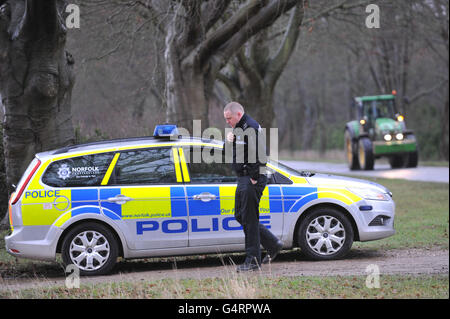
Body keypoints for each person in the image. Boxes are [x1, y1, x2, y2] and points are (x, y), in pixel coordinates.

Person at [223, 102, 283, 272]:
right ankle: (272, 243)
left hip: (251, 178)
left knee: (249, 219)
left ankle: (253, 260)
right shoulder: (237, 129)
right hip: (243, 178)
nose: (227, 121)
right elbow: (229, 152)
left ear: (238, 114)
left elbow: (262, 155)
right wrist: (228, 141)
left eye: (229, 118)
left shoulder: (251, 127)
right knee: (240, 215)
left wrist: (255, 177)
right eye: (226, 119)